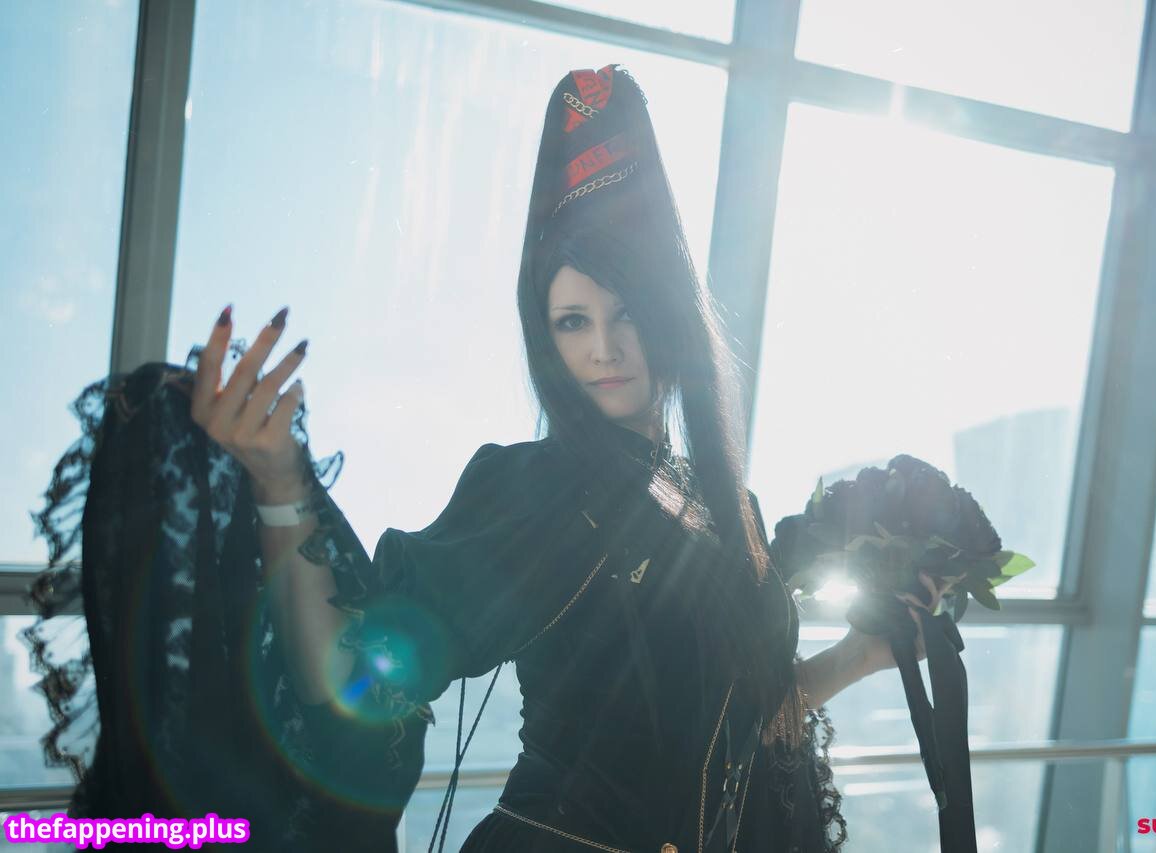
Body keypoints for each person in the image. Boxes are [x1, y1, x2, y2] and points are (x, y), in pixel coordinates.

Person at [188, 65, 949, 852]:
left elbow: (749, 716)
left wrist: (866, 653)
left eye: (628, 313)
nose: (604, 348)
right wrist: (279, 484)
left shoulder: (730, 511)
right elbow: (348, 676)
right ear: (546, 338)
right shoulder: (538, 490)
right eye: (573, 322)